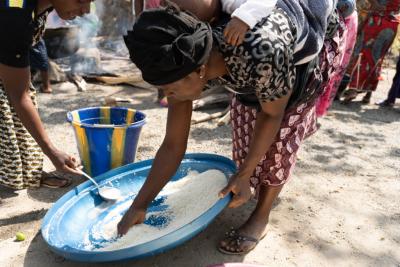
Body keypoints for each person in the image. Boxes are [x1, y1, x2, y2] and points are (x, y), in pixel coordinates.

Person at [118, 1, 341, 255]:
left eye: (170, 89)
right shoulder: (181, 60)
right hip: (255, 65)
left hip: (302, 48)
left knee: (280, 138)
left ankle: (261, 215)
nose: (167, 95)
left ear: (201, 71)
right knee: (247, 131)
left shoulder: (261, 48)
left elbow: (271, 114)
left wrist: (245, 174)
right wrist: (139, 205)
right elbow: (172, 143)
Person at [0, 1, 91, 189]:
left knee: (20, 116)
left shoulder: (43, 4)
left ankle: (28, 171)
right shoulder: (14, 16)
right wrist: (51, 151)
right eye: (81, 0)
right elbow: (19, 95)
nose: (86, 11)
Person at [340, 0, 400, 104]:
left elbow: (373, 4)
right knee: (377, 58)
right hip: (391, 26)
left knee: (363, 55)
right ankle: (368, 94)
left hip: (376, 22)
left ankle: (353, 90)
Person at [316, 0, 358, 116]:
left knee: (329, 70)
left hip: (341, 21)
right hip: (341, 20)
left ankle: (317, 109)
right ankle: (317, 109)